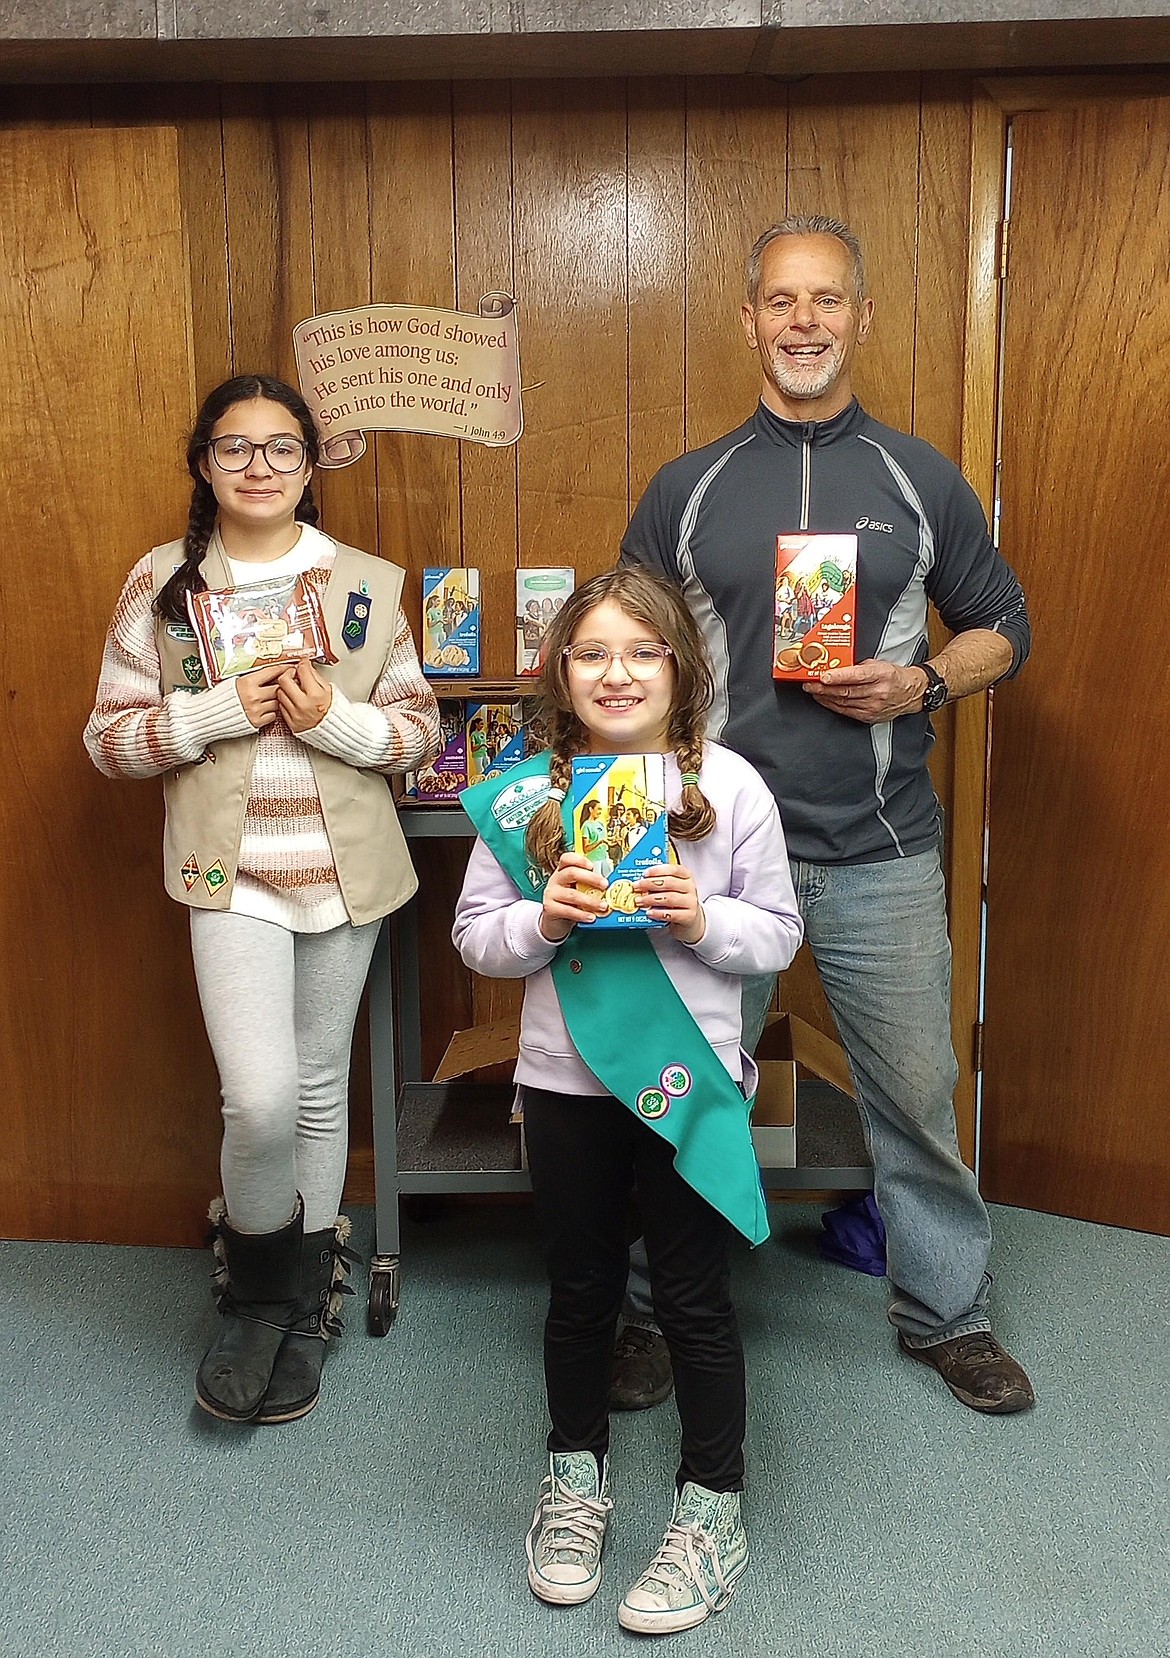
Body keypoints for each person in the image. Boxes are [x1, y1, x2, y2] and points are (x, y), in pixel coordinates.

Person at [614, 213, 1036, 1418]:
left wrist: (924, 682)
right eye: (782, 301)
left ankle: (945, 1313)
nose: (805, 322)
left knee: (916, 1093)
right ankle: (649, 1307)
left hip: (883, 848)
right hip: (716, 856)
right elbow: (625, 644)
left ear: (860, 317)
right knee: (685, 1085)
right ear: (748, 317)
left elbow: (1004, 622)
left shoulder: (920, 476)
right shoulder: (688, 488)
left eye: (827, 300)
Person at [452, 567, 803, 1634]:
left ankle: (712, 1505)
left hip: (686, 1082)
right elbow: (477, 933)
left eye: (641, 651)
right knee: (580, 1292)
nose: (616, 672)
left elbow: (778, 933)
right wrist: (543, 923)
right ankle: (574, 1481)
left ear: (679, 668)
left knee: (695, 1299)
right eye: (593, 651)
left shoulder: (732, 786)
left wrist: (702, 920)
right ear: (562, 670)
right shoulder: (527, 797)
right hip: (565, 1087)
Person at [84, 374, 439, 1425]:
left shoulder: (363, 585)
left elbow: (416, 735)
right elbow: (108, 740)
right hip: (227, 873)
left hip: (348, 871)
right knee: (261, 1096)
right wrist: (206, 715)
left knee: (321, 1086)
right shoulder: (163, 583)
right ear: (204, 462)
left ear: (310, 464)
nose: (258, 468)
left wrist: (335, 720)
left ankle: (303, 1302)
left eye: (282, 449)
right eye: (235, 449)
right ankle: (258, 1289)